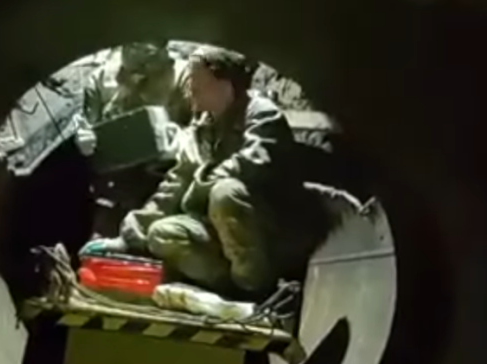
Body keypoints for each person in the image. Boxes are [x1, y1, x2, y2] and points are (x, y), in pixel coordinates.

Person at [82, 46, 329, 301]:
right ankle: (229, 289)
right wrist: (131, 234)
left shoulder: (262, 115)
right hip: (222, 231)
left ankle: (256, 286)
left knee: (225, 192)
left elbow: (251, 164)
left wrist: (202, 184)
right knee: (162, 233)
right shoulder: (202, 126)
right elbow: (177, 181)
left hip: (269, 231)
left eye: (198, 83)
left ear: (224, 85)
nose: (191, 90)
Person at [73, 41, 192, 157]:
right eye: (133, 46)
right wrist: (84, 139)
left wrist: (181, 142)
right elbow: (88, 130)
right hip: (117, 162)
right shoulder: (100, 80)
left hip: (172, 163)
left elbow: (200, 133)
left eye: (148, 50)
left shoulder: (187, 76)